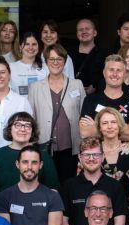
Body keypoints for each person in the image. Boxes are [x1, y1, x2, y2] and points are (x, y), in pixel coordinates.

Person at [27, 44, 86, 184]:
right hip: (44, 147)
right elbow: (31, 118)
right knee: (47, 184)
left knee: (69, 185)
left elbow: (84, 115)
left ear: (65, 62)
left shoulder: (77, 84)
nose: (55, 62)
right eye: (51, 59)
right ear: (46, 62)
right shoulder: (35, 87)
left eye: (59, 59)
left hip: (71, 146)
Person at [60, 137, 128, 225]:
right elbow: (63, 222)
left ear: (103, 157)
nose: (91, 159)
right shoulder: (69, 186)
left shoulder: (115, 186)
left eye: (95, 155)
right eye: (87, 155)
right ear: (80, 157)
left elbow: (120, 223)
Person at [0, 112, 60, 194]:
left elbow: (53, 189)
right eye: (18, 125)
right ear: (10, 129)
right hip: (1, 205)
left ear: (32, 131)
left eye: (27, 126)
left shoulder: (43, 156)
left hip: (35, 205)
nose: (23, 129)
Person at [80, 54, 129, 143]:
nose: (115, 74)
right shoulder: (90, 100)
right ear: (104, 73)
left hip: (125, 155)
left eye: (119, 70)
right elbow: (85, 133)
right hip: (97, 155)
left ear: (124, 74)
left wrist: (96, 126)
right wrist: (124, 127)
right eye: (111, 70)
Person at [69, 18, 104, 95]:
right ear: (77, 34)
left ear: (95, 32)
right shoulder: (69, 54)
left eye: (87, 29)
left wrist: (95, 86)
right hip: (73, 97)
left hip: (96, 97)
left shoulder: (104, 54)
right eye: (80, 30)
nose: (84, 31)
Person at [10, 32, 48, 99]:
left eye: (34, 44)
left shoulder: (46, 68)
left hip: (40, 108)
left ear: (38, 47)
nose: (31, 47)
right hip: (18, 108)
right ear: (20, 47)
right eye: (27, 44)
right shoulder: (11, 67)